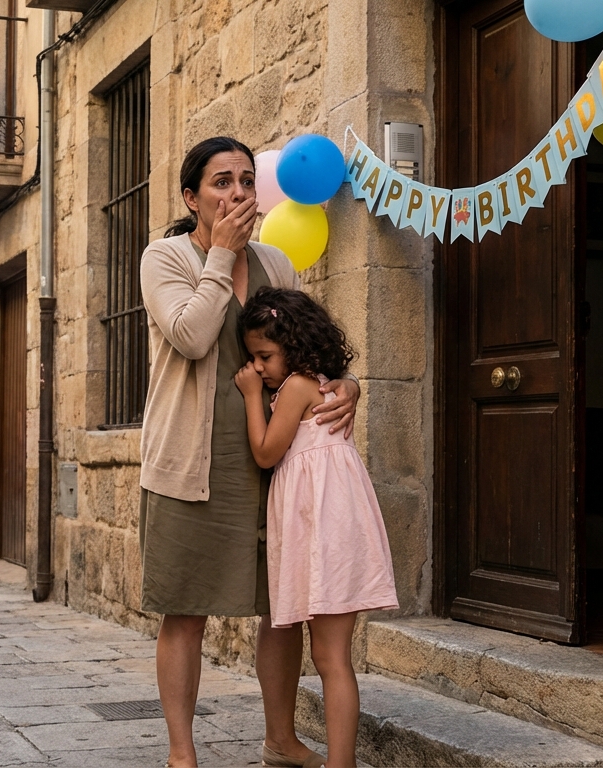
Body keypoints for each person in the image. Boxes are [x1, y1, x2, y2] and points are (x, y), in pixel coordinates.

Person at [138, 136, 361, 768]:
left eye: (244, 180)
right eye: (220, 182)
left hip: (278, 464)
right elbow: (191, 334)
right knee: (185, 610)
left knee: (283, 611)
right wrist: (220, 257)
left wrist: (348, 386)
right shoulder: (165, 257)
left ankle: (280, 740)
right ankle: (183, 753)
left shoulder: (276, 264)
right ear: (192, 197)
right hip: (191, 464)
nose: (237, 193)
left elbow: (314, 351)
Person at [234, 287, 398, 768]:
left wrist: (249, 397)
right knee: (334, 659)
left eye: (264, 356)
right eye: (252, 359)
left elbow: (266, 452)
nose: (258, 367)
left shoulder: (298, 388)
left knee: (328, 659)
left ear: (295, 346)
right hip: (335, 526)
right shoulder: (327, 383)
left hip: (318, 532)